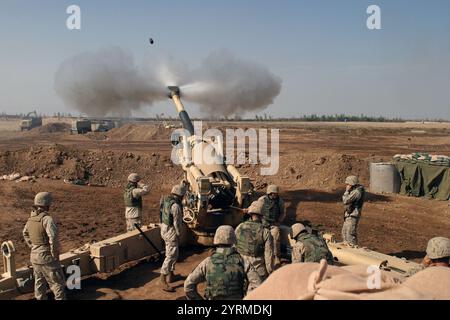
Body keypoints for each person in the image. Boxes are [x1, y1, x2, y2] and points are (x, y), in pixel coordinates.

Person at [22, 192, 66, 300]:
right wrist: (54, 253)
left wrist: (33, 246)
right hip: (46, 257)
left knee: (39, 283)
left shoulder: (30, 219)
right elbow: (53, 237)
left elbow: (25, 233)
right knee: (57, 284)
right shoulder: (47, 219)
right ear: (46, 204)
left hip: (34, 256)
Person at [184, 225, 246, 300]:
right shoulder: (242, 260)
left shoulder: (207, 262)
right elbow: (255, 284)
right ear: (233, 239)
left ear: (216, 239)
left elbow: (188, 285)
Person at [235, 201, 274, 293]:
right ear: (262, 214)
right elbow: (268, 254)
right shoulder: (265, 232)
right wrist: (270, 272)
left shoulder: (240, 227)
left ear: (250, 213)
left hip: (241, 265)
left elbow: (233, 245)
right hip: (257, 266)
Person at [159, 185, 185, 292]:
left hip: (164, 228)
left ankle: (171, 275)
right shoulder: (176, 206)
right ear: (180, 195)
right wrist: (179, 234)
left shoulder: (165, 199)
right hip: (171, 231)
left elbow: (160, 213)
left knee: (173, 252)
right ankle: (162, 279)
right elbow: (177, 222)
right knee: (171, 255)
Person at [257, 184, 285, 268]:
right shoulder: (262, 200)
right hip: (263, 223)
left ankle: (276, 256)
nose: (274, 195)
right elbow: (257, 209)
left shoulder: (280, 201)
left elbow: (283, 213)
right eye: (273, 193)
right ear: (269, 193)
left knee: (276, 237)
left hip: (273, 224)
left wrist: (279, 221)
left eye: (276, 194)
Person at [341, 176, 365, 246]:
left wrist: (346, 191)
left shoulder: (356, 192)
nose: (347, 186)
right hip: (350, 214)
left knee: (350, 234)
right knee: (344, 233)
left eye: (348, 184)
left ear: (352, 184)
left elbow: (345, 200)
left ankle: (354, 251)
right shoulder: (355, 190)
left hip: (353, 215)